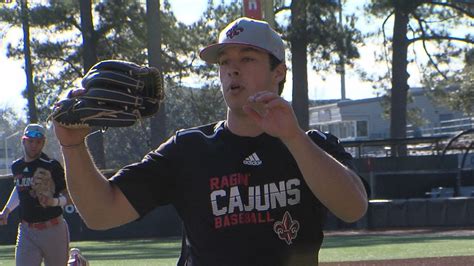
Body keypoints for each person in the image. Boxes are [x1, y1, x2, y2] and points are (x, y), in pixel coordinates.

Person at [53, 17, 368, 265]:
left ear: (279, 72)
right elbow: (101, 213)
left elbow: (354, 208)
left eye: (247, 59)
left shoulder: (312, 146)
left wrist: (293, 138)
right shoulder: (189, 150)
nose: (232, 69)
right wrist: (72, 145)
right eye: (224, 62)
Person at [0, 123, 71, 266]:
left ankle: (76, 262)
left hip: (53, 229)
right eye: (30, 141)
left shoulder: (51, 165)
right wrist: (6, 210)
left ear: (43, 143)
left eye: (38, 142)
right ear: (23, 141)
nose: (34, 145)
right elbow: (20, 187)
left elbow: (69, 197)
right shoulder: (17, 166)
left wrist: (53, 202)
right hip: (27, 230)